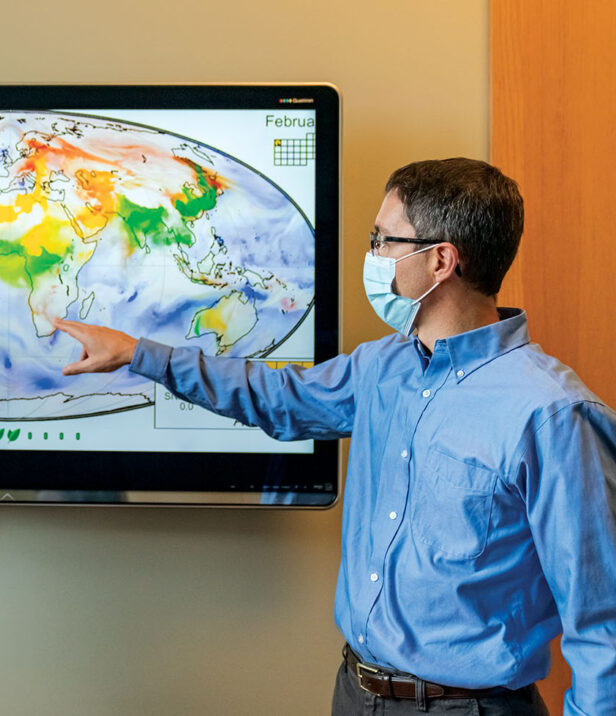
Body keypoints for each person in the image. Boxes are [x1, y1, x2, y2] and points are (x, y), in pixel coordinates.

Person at [53, 158, 616, 714]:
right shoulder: (383, 367)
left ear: (441, 260)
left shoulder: (552, 414)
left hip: (468, 708)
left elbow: (603, 621)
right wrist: (136, 354)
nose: (371, 256)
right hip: (357, 692)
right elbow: (275, 397)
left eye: (384, 240)